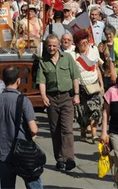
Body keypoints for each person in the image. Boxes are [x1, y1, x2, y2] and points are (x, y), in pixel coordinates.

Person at [36, 34, 80, 171]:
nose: (52, 48)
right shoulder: (43, 62)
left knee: (67, 129)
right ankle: (60, 159)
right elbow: (41, 81)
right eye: (49, 45)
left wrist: (77, 95)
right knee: (55, 130)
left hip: (66, 97)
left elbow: (75, 77)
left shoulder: (67, 58)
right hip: (52, 98)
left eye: (54, 45)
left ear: (59, 45)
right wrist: (43, 96)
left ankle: (69, 158)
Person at [0, 65, 42, 189]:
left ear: (3, 80)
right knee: (34, 184)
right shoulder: (23, 100)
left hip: (3, 152)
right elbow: (33, 128)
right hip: (23, 152)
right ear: (18, 81)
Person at [71, 29, 103, 144]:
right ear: (77, 44)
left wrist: (101, 84)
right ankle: (83, 131)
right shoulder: (73, 55)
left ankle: (94, 133)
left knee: (96, 110)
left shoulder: (94, 51)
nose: (85, 45)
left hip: (94, 85)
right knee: (82, 111)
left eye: (86, 42)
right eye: (82, 43)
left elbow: (97, 68)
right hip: (80, 87)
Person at [98, 25, 117, 91]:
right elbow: (98, 58)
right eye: (106, 34)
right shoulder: (101, 45)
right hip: (106, 74)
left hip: (117, 72)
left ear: (113, 34)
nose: (108, 36)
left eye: (110, 34)